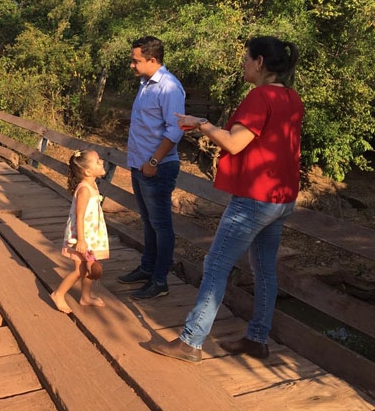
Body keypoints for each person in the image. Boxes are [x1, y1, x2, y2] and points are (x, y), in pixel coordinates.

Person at [149, 36, 304, 363]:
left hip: (255, 199)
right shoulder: (292, 97)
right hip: (281, 198)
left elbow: (234, 144)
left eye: (246, 59)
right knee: (264, 270)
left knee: (216, 264)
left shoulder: (260, 97)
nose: (243, 64)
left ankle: (191, 341)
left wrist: (202, 123)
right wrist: (202, 125)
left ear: (260, 62)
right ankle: (257, 339)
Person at [118, 36, 185, 299]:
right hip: (140, 165)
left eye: (136, 61)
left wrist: (154, 161)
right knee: (147, 222)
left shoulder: (169, 88)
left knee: (161, 224)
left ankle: (160, 281)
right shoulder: (146, 84)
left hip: (158, 167)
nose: (132, 66)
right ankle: (147, 268)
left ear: (153, 60)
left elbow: (175, 130)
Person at [50, 149, 110, 314]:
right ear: (88, 171)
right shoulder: (84, 189)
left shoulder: (93, 184)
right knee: (80, 270)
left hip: (90, 235)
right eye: (98, 161)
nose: (102, 162)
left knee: (90, 266)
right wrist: (81, 240)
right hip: (80, 236)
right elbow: (80, 215)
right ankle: (58, 294)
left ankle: (85, 296)